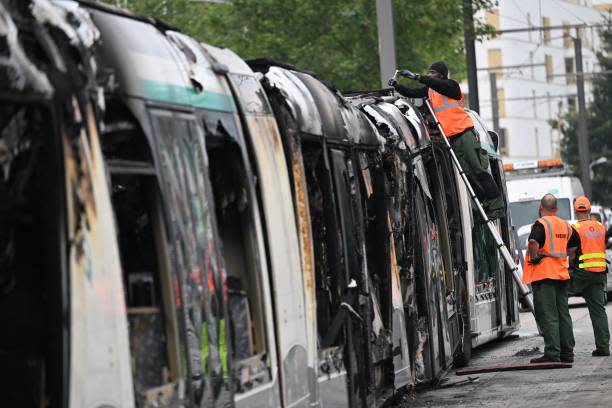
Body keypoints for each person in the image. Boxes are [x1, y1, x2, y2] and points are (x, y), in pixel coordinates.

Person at [388, 61, 505, 219]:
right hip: (452, 138)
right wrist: (397, 85)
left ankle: (496, 205)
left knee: (478, 168)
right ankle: (484, 204)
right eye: (428, 72)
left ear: (441, 75)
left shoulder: (451, 87)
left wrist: (417, 77)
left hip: (465, 133)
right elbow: (411, 93)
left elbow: (436, 84)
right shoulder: (431, 90)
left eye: (432, 72)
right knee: (467, 174)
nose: (429, 75)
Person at [523, 194, 578, 363]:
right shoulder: (565, 225)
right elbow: (574, 246)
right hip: (562, 275)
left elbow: (533, 242)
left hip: (544, 276)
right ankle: (567, 353)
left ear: (541, 208)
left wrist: (533, 258)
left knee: (549, 315)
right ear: (556, 208)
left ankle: (552, 353)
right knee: (563, 314)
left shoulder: (541, 224)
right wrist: (569, 261)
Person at [570, 196, 610, 357]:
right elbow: (604, 244)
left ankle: (563, 350)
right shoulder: (600, 226)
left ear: (575, 209)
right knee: (598, 310)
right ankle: (603, 347)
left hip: (581, 274)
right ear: (588, 209)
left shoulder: (575, 228)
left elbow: (571, 253)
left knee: (558, 300)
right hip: (599, 273)